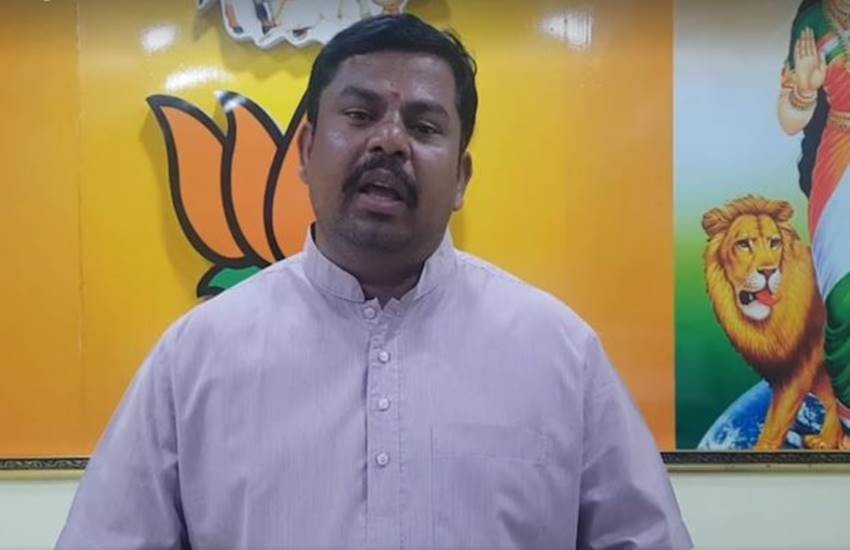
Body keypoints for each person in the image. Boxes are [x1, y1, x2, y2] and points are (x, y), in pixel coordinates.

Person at [57, 14, 691, 549]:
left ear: (462, 177)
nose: (389, 142)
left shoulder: (559, 353)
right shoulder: (196, 358)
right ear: (305, 151)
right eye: (360, 115)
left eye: (424, 126)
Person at [778, 0, 850, 448]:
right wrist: (804, 90)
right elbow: (789, 121)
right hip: (841, 167)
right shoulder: (815, 22)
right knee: (845, 301)